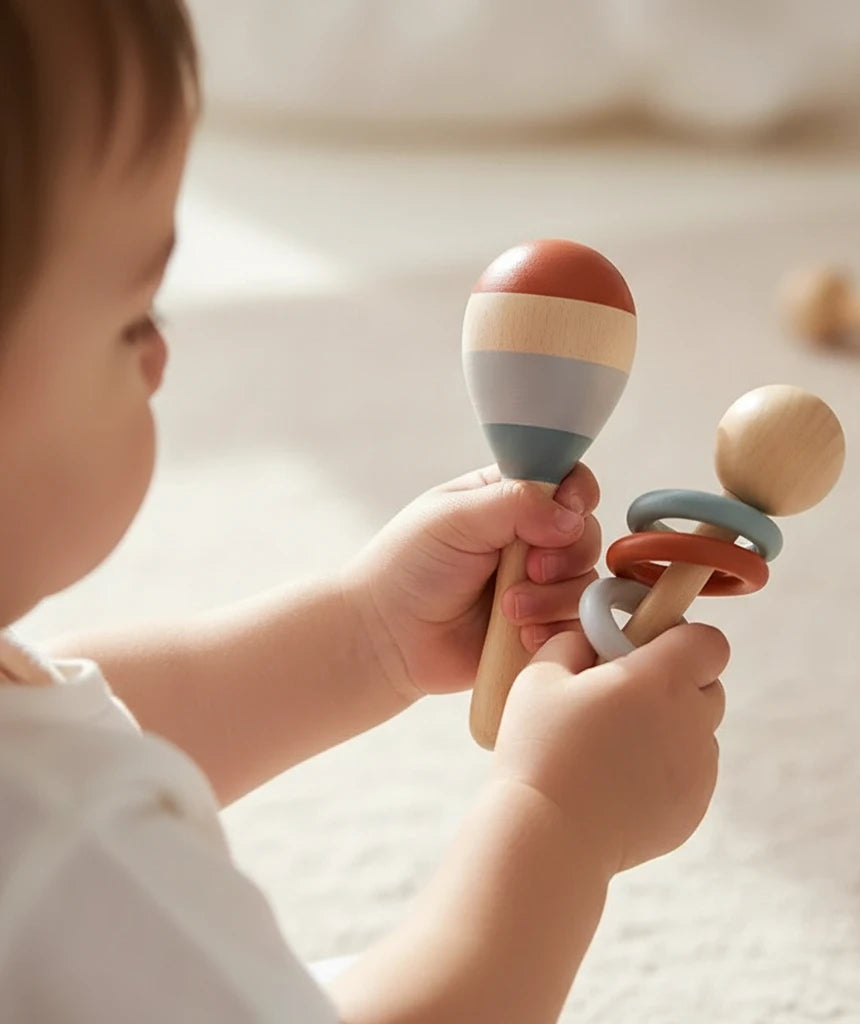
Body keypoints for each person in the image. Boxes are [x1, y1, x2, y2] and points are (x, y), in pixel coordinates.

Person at [0, 2, 729, 1021]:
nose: (160, 356)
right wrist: (562, 816)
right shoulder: (67, 848)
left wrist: (364, 637)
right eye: (134, 317)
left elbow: (74, 721)